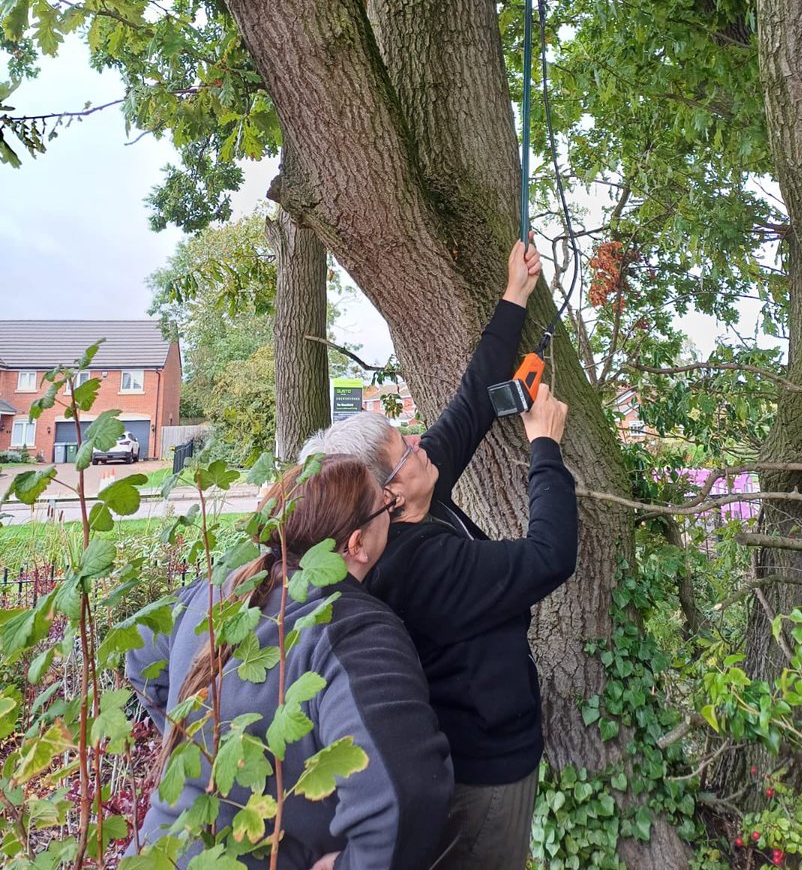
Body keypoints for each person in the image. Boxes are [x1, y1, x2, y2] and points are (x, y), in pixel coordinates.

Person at [301, 241, 578, 870]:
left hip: (493, 751)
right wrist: (544, 447)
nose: (424, 441)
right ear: (387, 495)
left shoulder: (413, 493)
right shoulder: (417, 566)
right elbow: (549, 556)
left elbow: (475, 399)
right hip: (486, 774)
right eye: (407, 446)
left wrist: (515, 296)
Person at [126, 456, 453, 870]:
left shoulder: (220, 590)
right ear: (357, 544)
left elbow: (138, 654)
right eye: (386, 507)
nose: (393, 512)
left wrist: (193, 747)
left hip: (155, 853)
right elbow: (407, 797)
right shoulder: (353, 630)